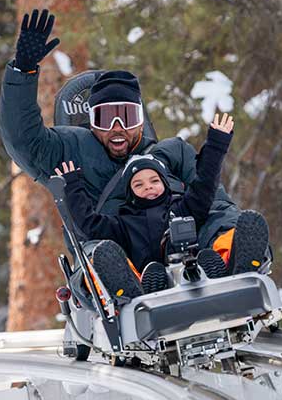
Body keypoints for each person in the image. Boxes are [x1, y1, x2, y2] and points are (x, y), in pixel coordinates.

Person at [0, 8, 269, 266]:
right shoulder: (71, 152)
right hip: (119, 259)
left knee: (220, 218)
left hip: (186, 252)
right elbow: (23, 141)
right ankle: (121, 280)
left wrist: (225, 222)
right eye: (106, 118)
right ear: (91, 121)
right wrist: (23, 72)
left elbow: (211, 197)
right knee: (99, 250)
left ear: (142, 120)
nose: (117, 127)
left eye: (126, 117)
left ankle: (230, 257)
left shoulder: (173, 153)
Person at [54, 113, 269, 300]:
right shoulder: (124, 223)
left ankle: (237, 268)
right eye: (139, 184)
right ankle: (128, 292)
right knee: (104, 256)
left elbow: (205, 184)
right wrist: (72, 186)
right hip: (146, 285)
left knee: (229, 234)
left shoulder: (182, 208)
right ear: (130, 194)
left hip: (193, 272)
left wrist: (216, 145)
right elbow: (89, 223)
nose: (148, 187)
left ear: (165, 184)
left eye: (154, 181)